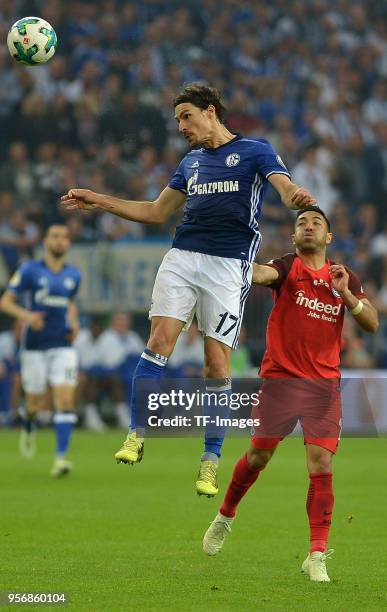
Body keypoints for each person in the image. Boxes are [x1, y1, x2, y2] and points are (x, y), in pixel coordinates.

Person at [61, 83, 316, 496]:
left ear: (210, 111)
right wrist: (99, 200)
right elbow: (156, 211)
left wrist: (295, 197)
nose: (180, 126)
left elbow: (283, 186)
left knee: (216, 364)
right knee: (159, 340)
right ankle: (136, 433)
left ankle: (210, 461)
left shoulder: (255, 149)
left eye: (186, 116)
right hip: (182, 257)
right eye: (177, 119)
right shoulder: (191, 162)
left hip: (228, 266)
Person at [202, 206, 379, 580]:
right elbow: (259, 273)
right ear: (294, 237)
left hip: (323, 387)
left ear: (329, 237)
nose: (308, 226)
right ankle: (226, 515)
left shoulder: (343, 277)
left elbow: (372, 323)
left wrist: (347, 295)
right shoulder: (286, 267)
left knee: (321, 464)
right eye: (301, 223)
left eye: (316, 223)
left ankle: (316, 554)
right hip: (280, 383)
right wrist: (235, 267)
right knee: (258, 456)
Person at [0, 225, 81, 478]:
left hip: (63, 345)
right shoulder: (29, 270)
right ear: (45, 241)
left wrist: (75, 323)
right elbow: (5, 302)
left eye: (64, 237)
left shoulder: (74, 275)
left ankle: (61, 459)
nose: (60, 241)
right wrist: (27, 317)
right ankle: (28, 421)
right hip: (34, 346)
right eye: (55, 236)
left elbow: (70, 303)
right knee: (34, 402)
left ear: (68, 244)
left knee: (65, 400)